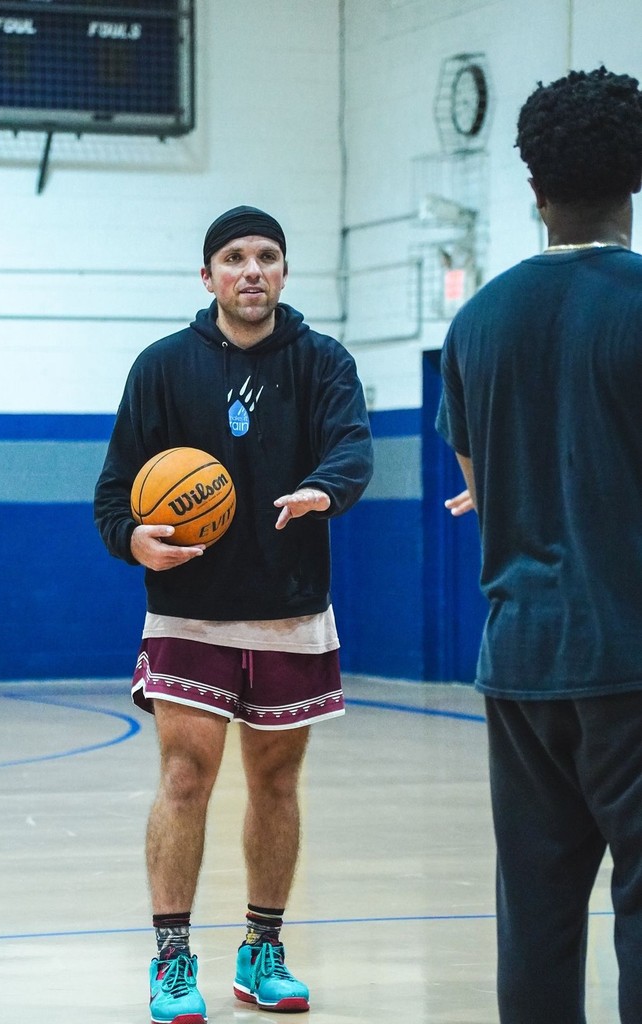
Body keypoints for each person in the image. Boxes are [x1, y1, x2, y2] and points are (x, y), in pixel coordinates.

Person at [94, 205, 373, 1024]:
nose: (251, 270)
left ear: (284, 272)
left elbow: (353, 445)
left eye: (267, 257)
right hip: (188, 612)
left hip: (289, 609)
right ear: (208, 275)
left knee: (278, 781)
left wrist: (329, 486)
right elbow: (115, 492)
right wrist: (133, 540)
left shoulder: (323, 362)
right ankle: (173, 960)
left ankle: (264, 949)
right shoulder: (162, 367)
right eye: (233, 257)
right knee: (185, 777)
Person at [436, 67, 642, 1023]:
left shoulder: (475, 322)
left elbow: (476, 485)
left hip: (519, 664)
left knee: (537, 924)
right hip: (630, 660)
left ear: (532, 188)